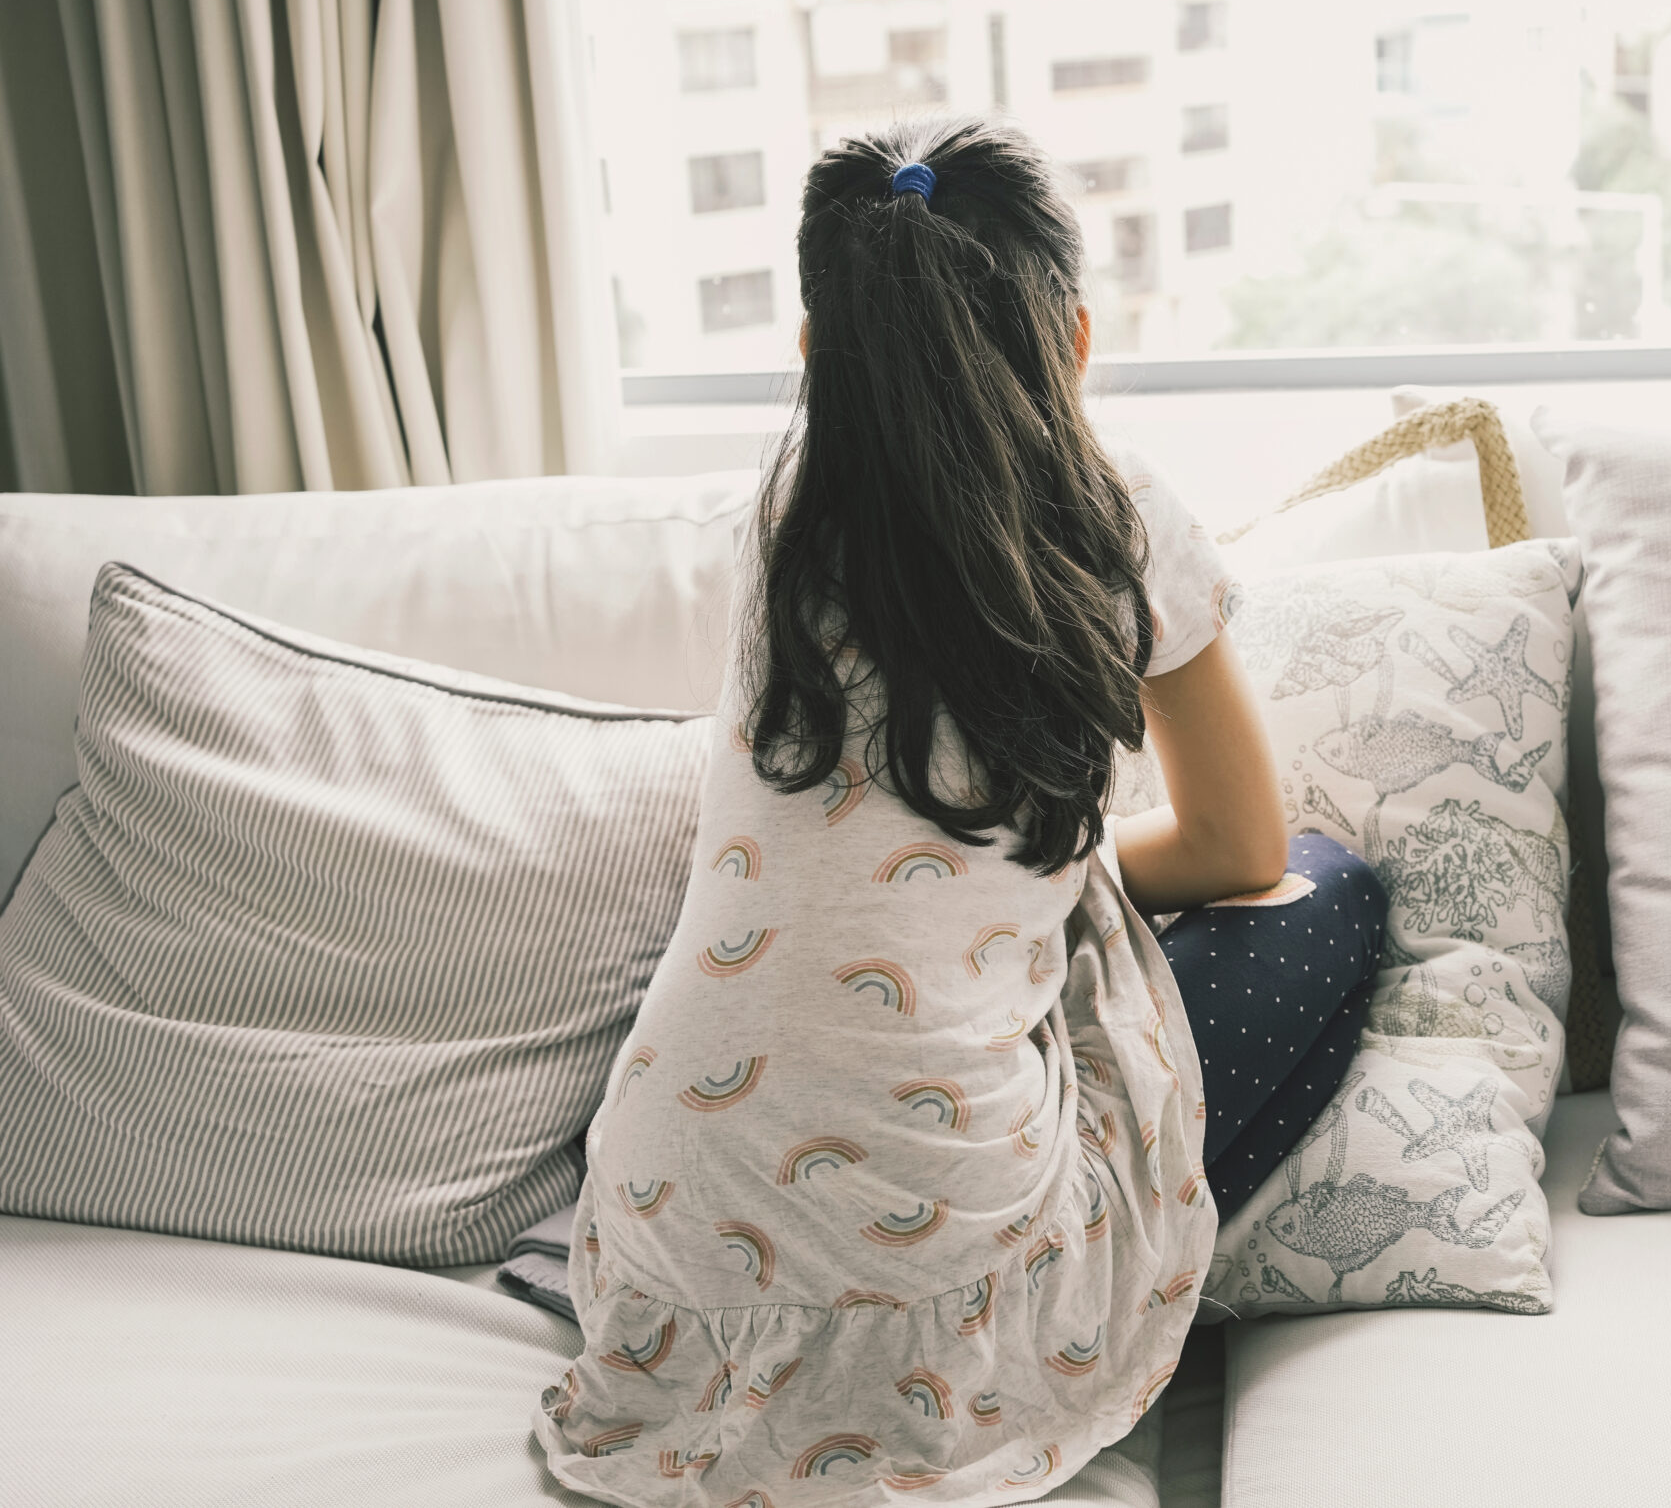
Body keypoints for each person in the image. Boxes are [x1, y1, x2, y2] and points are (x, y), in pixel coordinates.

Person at [536, 116, 1384, 1506]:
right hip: (937, 1311)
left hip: (654, 1248)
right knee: (1331, 887)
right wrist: (1065, 887)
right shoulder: (1121, 521)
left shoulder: (783, 522)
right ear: (1080, 343)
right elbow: (1242, 847)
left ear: (815, 357)